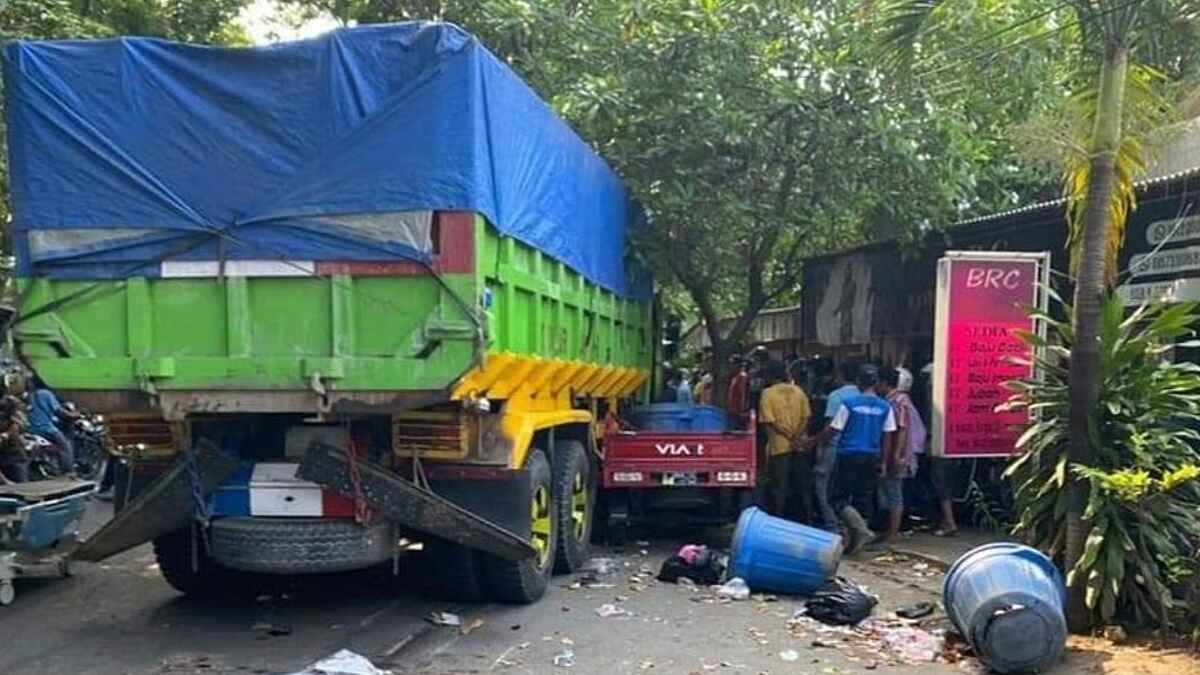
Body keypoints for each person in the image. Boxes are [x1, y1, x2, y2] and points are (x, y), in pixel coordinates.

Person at [808, 364, 896, 555]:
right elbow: (888, 436)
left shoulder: (849, 404)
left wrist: (813, 441)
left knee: (835, 497)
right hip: (871, 456)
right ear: (877, 382)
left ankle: (862, 532)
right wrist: (883, 461)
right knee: (862, 499)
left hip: (848, 454)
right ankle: (856, 543)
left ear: (858, 382)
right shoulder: (885, 407)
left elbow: (833, 429)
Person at [872, 367, 926, 550]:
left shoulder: (898, 401)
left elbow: (901, 429)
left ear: (885, 383)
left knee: (894, 493)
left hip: (897, 454)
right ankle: (889, 531)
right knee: (887, 491)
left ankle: (893, 535)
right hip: (892, 453)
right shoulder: (892, 400)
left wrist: (896, 455)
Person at [810, 361, 861, 533]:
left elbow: (830, 427)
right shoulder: (868, 397)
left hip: (835, 448)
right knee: (849, 490)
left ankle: (834, 525)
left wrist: (815, 443)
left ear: (840, 375)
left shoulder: (836, 396)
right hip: (859, 450)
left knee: (823, 484)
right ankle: (852, 526)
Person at [757, 360, 811, 520]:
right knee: (802, 486)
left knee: (779, 487)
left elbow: (770, 421)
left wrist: (788, 436)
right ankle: (806, 519)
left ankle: (779, 519)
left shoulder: (767, 393)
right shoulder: (799, 391)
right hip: (800, 445)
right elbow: (806, 417)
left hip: (780, 448)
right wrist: (797, 436)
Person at [28, 377, 79, 477]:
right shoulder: (45, 393)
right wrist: (73, 415)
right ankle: (69, 473)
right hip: (45, 428)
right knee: (65, 448)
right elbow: (59, 411)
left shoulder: (30, 395)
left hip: (31, 429)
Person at [0, 395, 29, 484]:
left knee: (21, 487)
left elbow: (22, 427)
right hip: (8, 456)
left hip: (14, 456)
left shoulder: (15, 419)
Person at [726, 356, 750, 426]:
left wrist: (742, 411)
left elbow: (743, 394)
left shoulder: (742, 376)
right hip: (733, 411)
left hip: (738, 412)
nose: (730, 366)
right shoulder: (734, 377)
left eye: (732, 364)